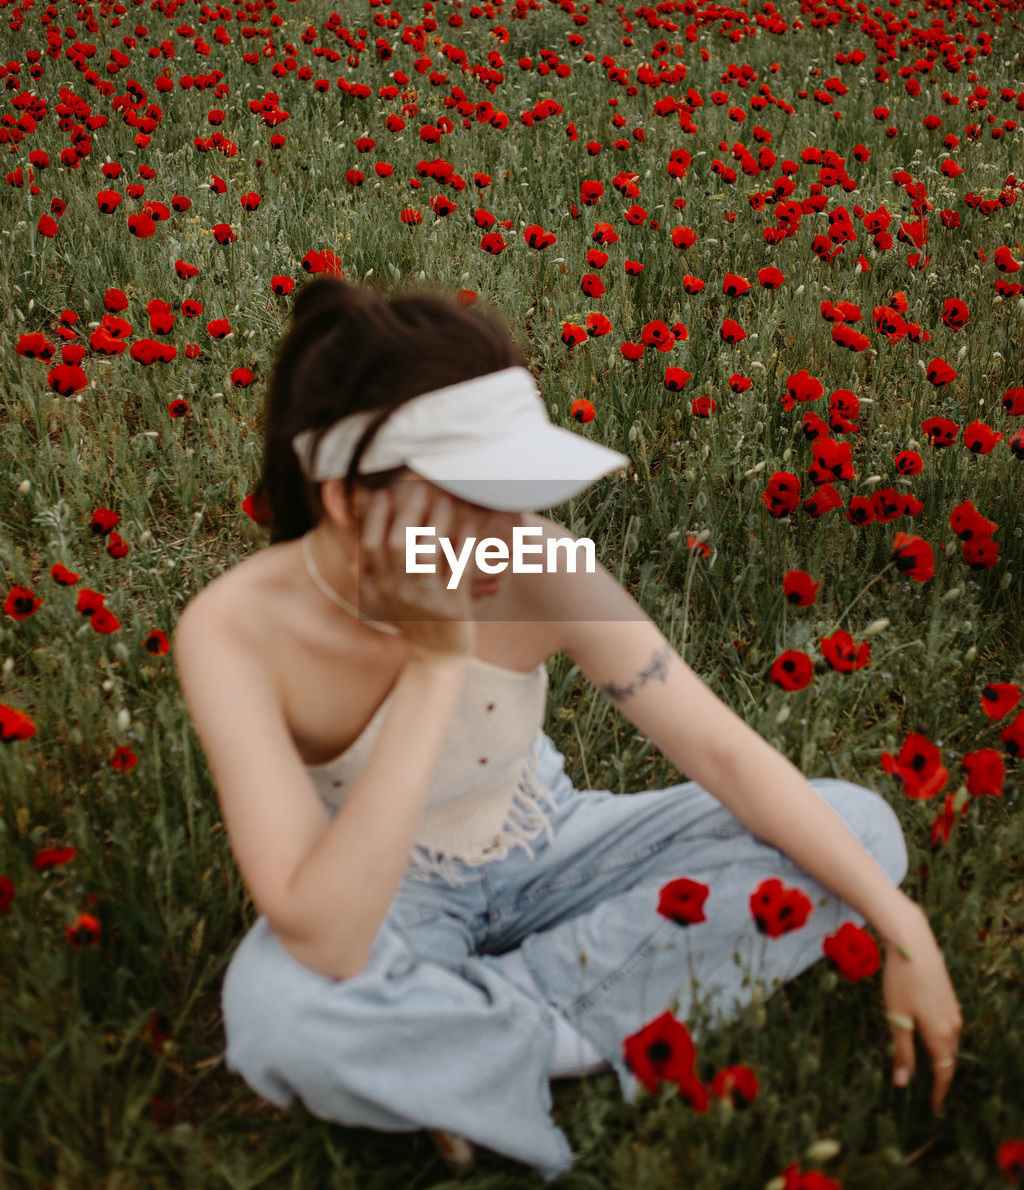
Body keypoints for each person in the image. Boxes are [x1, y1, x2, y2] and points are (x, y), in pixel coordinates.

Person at [172, 276, 962, 1181]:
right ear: (352, 501)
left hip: (546, 836)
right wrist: (434, 665)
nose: (511, 527)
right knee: (280, 1013)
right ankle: (570, 1024)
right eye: (477, 501)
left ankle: (479, 1040)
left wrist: (903, 927)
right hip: (383, 898)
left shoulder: (533, 555)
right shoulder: (234, 631)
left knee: (860, 830)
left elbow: (725, 753)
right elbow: (326, 937)